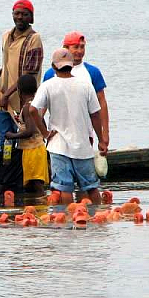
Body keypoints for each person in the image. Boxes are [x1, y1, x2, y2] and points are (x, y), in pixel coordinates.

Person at [30, 48, 107, 205]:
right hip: (82, 146)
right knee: (91, 187)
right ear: (72, 66)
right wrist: (101, 140)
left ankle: (66, 223)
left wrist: (45, 133)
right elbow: (95, 115)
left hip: (58, 145)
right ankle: (99, 222)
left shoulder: (48, 85)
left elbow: (32, 110)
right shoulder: (85, 85)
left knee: (65, 188)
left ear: (53, 66)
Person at [0, 0, 43, 150]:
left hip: (22, 103)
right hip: (2, 100)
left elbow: (28, 74)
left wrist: (7, 95)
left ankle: (19, 170)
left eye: (24, 14)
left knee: (25, 141)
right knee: (5, 140)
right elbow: (8, 65)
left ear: (31, 18)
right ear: (12, 15)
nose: (20, 17)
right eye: (17, 13)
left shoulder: (34, 39)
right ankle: (5, 169)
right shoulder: (6, 36)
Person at [43, 31, 109, 149]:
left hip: (84, 135)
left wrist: (104, 134)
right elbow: (41, 106)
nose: (80, 51)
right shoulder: (51, 73)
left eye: (82, 47)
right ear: (65, 48)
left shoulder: (92, 72)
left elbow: (101, 103)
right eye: (76, 47)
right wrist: (42, 132)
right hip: (58, 136)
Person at [4, 74, 49, 194]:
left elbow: (30, 131)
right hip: (39, 147)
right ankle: (38, 207)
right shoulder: (36, 104)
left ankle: (42, 207)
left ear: (19, 91)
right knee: (32, 184)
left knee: (36, 183)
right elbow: (41, 123)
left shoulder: (27, 107)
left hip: (32, 150)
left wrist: (12, 135)